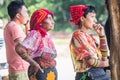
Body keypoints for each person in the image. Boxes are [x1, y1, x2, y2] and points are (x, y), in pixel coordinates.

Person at [69, 5, 110, 80]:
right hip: (88, 76)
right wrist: (104, 64)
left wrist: (102, 36)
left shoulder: (92, 37)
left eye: (95, 17)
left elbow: (104, 56)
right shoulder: (78, 35)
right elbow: (90, 61)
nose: (95, 20)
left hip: (99, 74)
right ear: (82, 18)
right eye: (92, 16)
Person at [15, 8, 57, 80]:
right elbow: (19, 48)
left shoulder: (47, 35)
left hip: (50, 72)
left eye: (52, 19)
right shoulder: (36, 34)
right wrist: (34, 63)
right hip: (39, 72)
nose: (53, 22)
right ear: (40, 21)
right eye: (49, 19)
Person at [4, 0, 29, 80]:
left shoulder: (10, 25)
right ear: (18, 15)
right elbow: (23, 48)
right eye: (25, 12)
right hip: (20, 69)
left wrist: (27, 27)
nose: (27, 15)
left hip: (17, 68)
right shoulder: (15, 27)